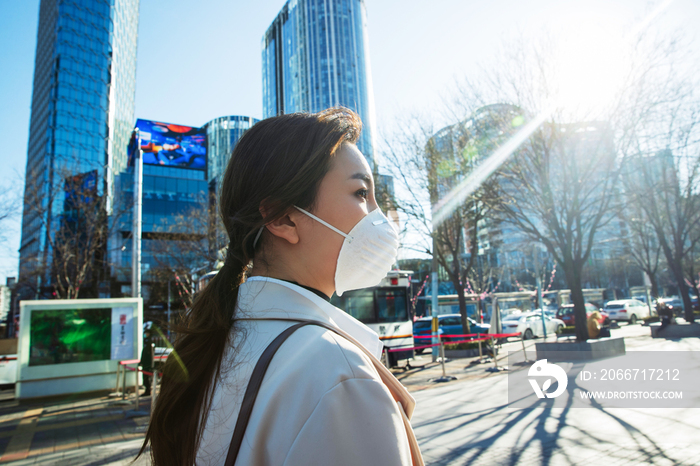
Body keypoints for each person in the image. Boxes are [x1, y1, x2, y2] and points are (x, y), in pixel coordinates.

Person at [140, 109, 423, 466]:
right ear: (283, 218)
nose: (380, 216)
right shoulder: (340, 377)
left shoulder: (214, 345)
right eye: (361, 193)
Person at [140, 326, 153, 396]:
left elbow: (148, 354)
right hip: (145, 363)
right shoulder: (146, 341)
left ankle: (148, 390)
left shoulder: (149, 342)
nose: (145, 334)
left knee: (147, 378)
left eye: (147, 333)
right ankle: (147, 390)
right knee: (145, 377)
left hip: (147, 363)